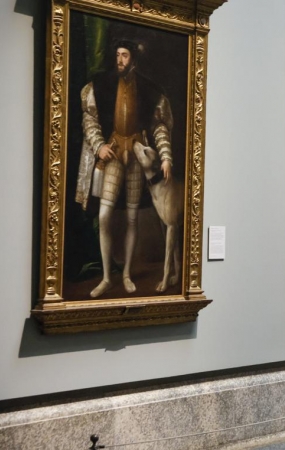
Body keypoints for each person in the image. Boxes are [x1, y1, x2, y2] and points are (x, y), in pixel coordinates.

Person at [75, 40, 174, 298]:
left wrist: (164, 156)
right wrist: (98, 147)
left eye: (125, 55)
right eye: (117, 55)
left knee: (132, 217)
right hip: (114, 151)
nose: (119, 60)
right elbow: (90, 120)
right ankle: (108, 277)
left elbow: (160, 127)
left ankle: (127, 273)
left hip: (137, 156)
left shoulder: (150, 91)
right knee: (105, 215)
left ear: (133, 60)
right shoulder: (100, 85)